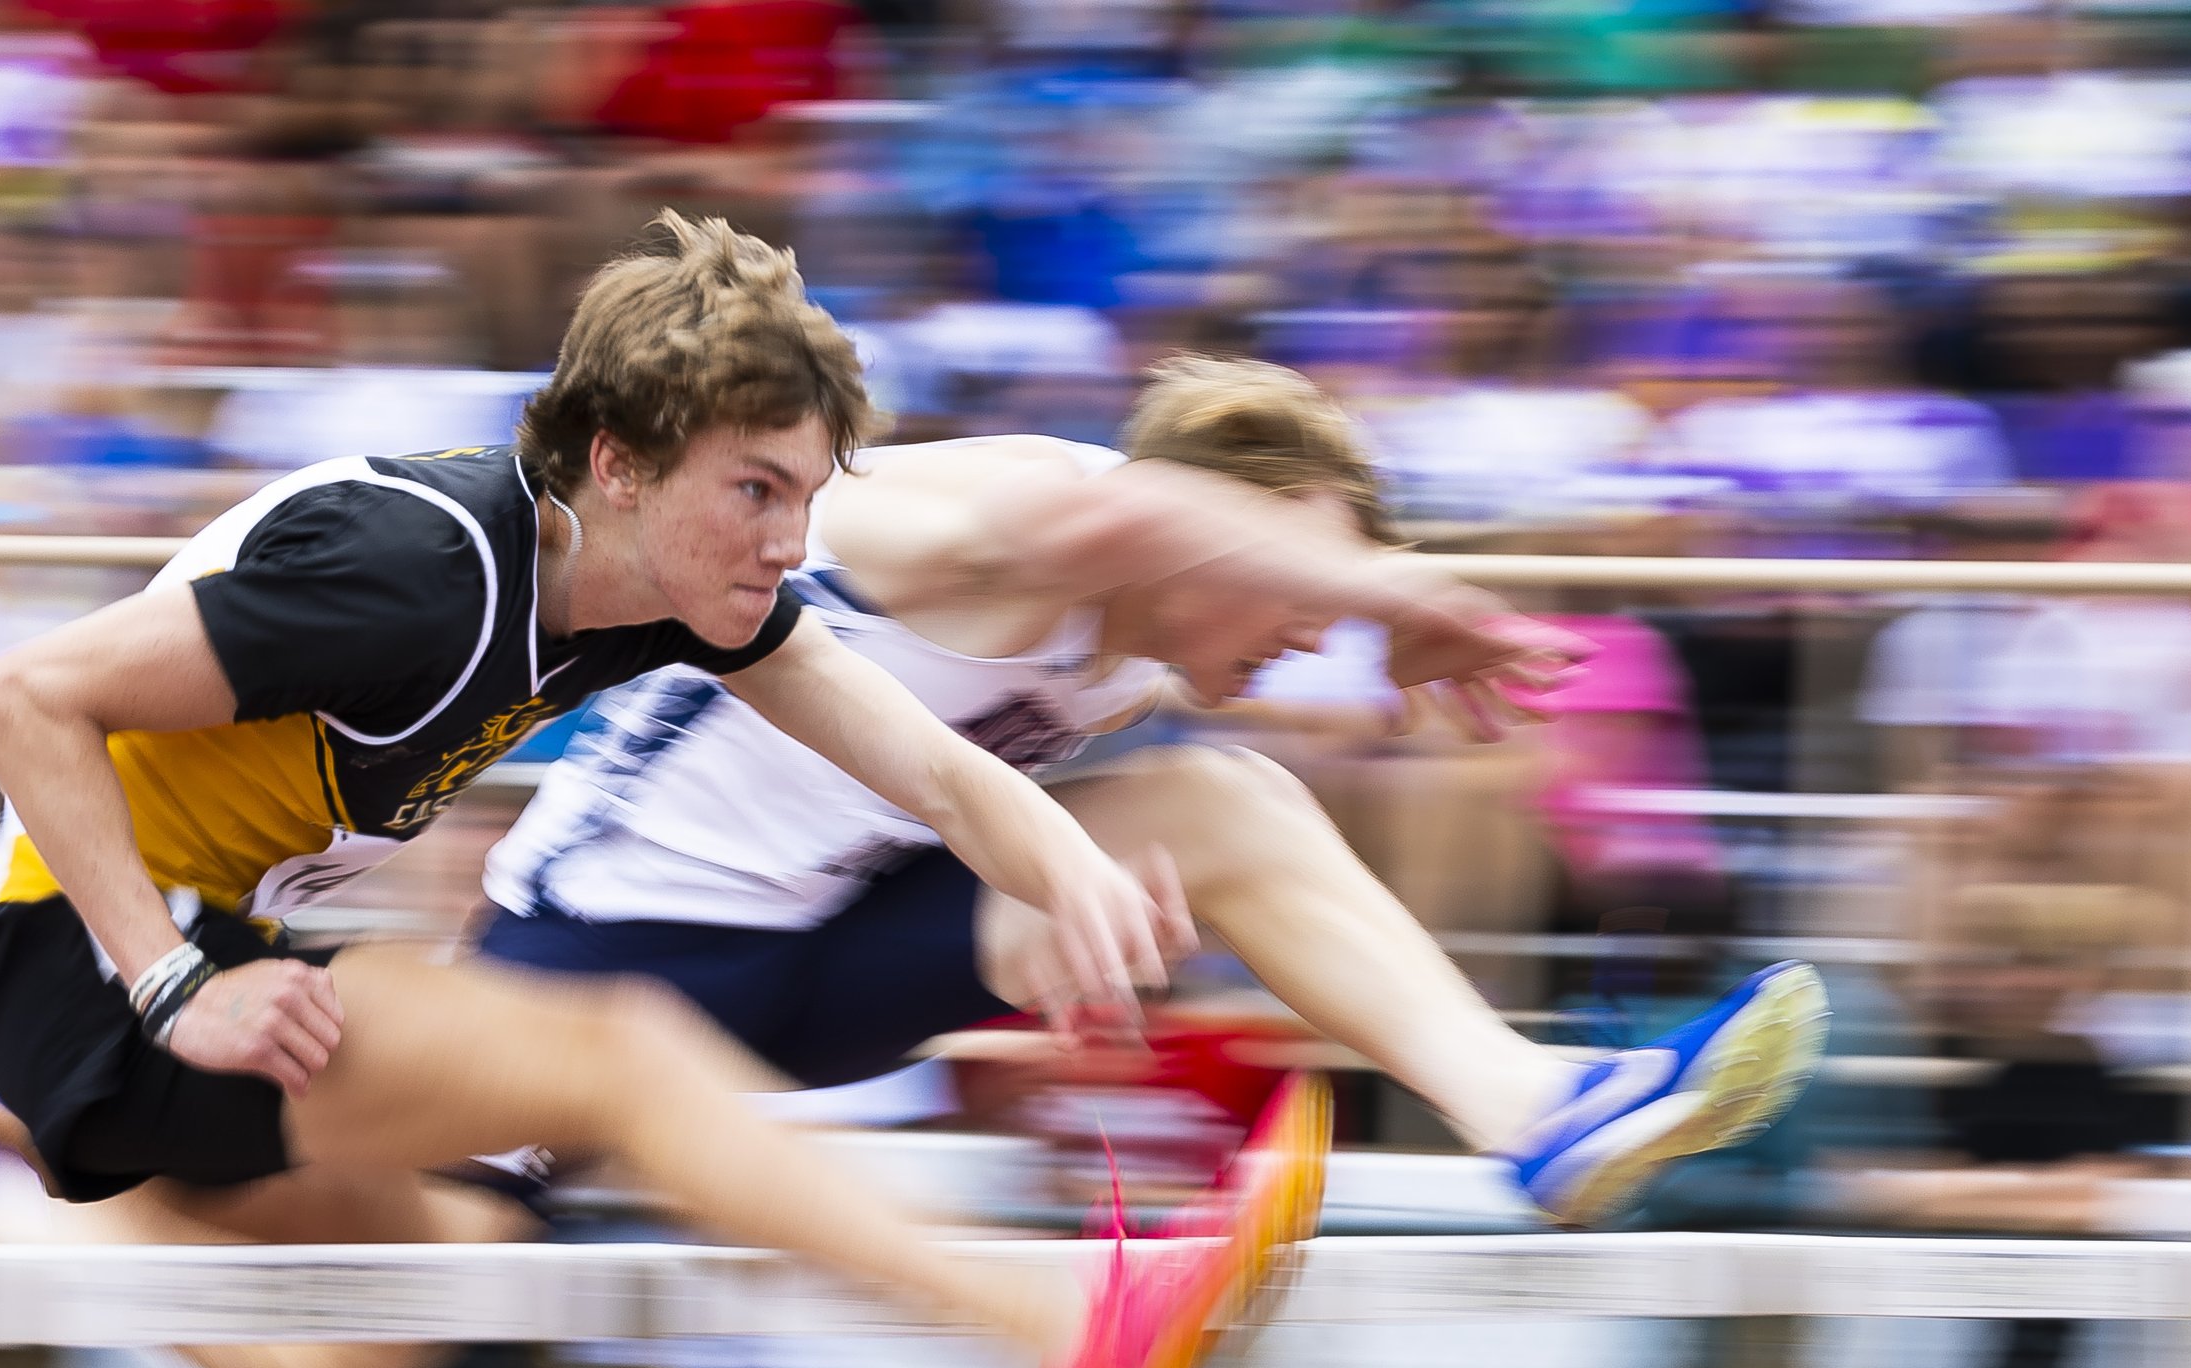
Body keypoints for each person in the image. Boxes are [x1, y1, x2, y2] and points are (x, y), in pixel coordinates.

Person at [0, 215, 1335, 1368]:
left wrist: (1076, 881)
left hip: (211, 962)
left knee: (402, 1318)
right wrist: (171, 981)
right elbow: (19, 692)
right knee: (625, 1060)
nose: (797, 542)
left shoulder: (656, 586)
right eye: (759, 491)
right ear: (618, 462)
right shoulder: (413, 573)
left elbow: (925, 761)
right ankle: (1055, 1321)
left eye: (808, 495)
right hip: (107, 965)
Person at [474, 354, 1830, 1225]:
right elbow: (1129, 516)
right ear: (1220, 508)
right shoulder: (994, 511)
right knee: (380, 1344)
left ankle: (1533, 1108)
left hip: (813, 976)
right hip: (595, 969)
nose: (1315, 629)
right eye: (1297, 576)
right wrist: (1393, 587)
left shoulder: (1141, 664)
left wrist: (1056, 900)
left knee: (1227, 804)